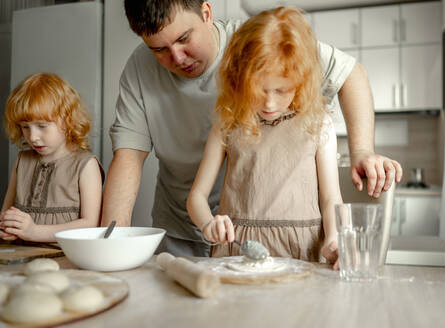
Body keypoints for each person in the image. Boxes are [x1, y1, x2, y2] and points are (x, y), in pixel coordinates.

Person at [103, 0, 402, 257]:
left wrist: (362, 150)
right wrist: (109, 245)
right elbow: (128, 156)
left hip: (288, 242)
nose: (177, 58)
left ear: (206, 13)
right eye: (160, 49)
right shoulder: (143, 72)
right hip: (187, 229)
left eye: (184, 38)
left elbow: (350, 73)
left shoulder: (257, 45)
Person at [187, 6, 342, 264]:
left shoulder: (319, 124)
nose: (269, 103)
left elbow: (331, 198)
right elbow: (196, 197)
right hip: (238, 250)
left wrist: (335, 237)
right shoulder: (227, 123)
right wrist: (208, 224)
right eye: (258, 91)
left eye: (282, 91)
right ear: (238, 80)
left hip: (302, 249)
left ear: (301, 81)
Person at [0, 73, 104, 243]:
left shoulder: (86, 165)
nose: (32, 137)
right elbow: (6, 214)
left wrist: (35, 232)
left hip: (65, 256)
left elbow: (90, 225)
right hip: (19, 253)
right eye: (25, 127)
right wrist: (6, 228)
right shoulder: (22, 160)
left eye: (42, 126)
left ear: (68, 120)